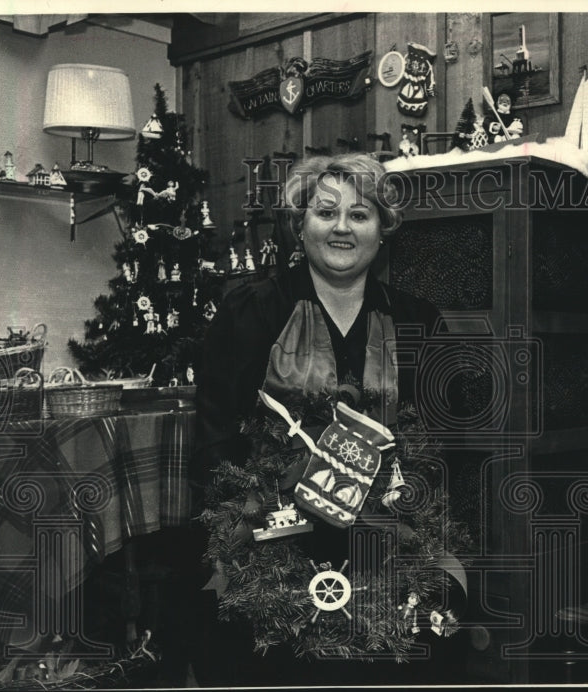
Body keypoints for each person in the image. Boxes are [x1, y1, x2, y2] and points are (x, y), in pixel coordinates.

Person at [188, 154, 461, 686]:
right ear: (300, 224)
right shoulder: (251, 310)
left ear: (382, 230)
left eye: (360, 215)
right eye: (326, 212)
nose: (341, 227)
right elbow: (216, 436)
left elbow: (435, 443)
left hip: (386, 538)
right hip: (270, 540)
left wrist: (411, 520)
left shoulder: (418, 320)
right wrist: (245, 530)